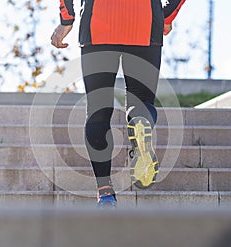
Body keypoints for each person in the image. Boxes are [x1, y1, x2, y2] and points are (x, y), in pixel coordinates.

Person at [51, 0, 186, 208]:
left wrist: (66, 18)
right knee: (142, 100)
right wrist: (166, 15)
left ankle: (105, 192)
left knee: (98, 108)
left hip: (97, 21)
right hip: (145, 19)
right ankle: (141, 122)